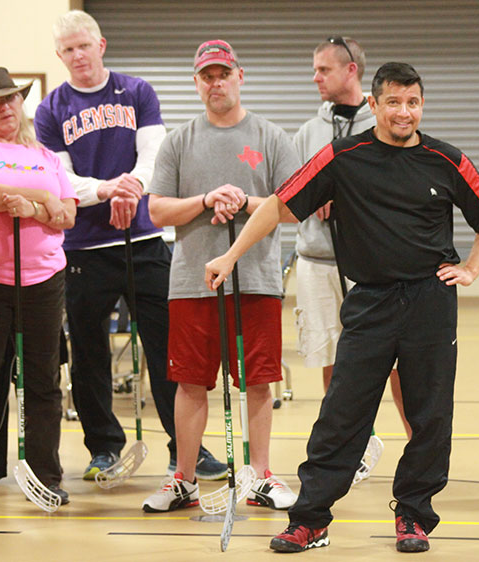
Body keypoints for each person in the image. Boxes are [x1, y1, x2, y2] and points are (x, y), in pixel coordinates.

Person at [206, 62, 479, 553]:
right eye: (393, 102)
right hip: (369, 300)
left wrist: (473, 267)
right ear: (373, 104)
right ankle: (311, 519)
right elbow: (279, 205)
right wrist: (230, 254)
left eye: (412, 102)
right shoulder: (344, 156)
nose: (403, 112)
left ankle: (413, 515)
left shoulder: (444, 159)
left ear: (422, 104)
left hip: (430, 301)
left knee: (430, 414)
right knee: (343, 412)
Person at [34, 10, 226, 480]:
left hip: (143, 241)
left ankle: (187, 449)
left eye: (85, 46)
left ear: (101, 45)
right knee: (89, 351)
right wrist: (106, 191)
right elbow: (62, 178)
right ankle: (103, 447)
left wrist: (131, 190)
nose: (78, 56)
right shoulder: (50, 109)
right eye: (68, 50)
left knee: (166, 349)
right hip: (83, 248)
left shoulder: (136, 91)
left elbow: (154, 155)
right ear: (59, 56)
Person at [141, 39, 300, 513]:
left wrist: (244, 201)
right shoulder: (179, 141)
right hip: (192, 280)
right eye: (206, 76)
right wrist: (209, 198)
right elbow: (156, 210)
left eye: (222, 74)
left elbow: (292, 207)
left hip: (255, 279)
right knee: (190, 382)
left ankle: (261, 476)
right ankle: (184, 481)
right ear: (197, 83)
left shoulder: (272, 136)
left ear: (239, 76)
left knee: (257, 380)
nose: (215, 83)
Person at [0, 67, 78, 508]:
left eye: (10, 99)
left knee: (44, 381)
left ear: (21, 103)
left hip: (42, 280)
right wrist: (41, 199)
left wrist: (37, 209)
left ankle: (47, 476)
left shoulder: (47, 155)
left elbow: (69, 215)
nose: (4, 108)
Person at [294, 36, 411, 442]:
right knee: (334, 360)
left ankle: (418, 444)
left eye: (323, 70)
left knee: (396, 362)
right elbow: (292, 191)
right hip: (318, 261)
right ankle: (353, 444)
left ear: (351, 71)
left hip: (372, 266)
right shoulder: (309, 131)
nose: (316, 78)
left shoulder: (383, 123)